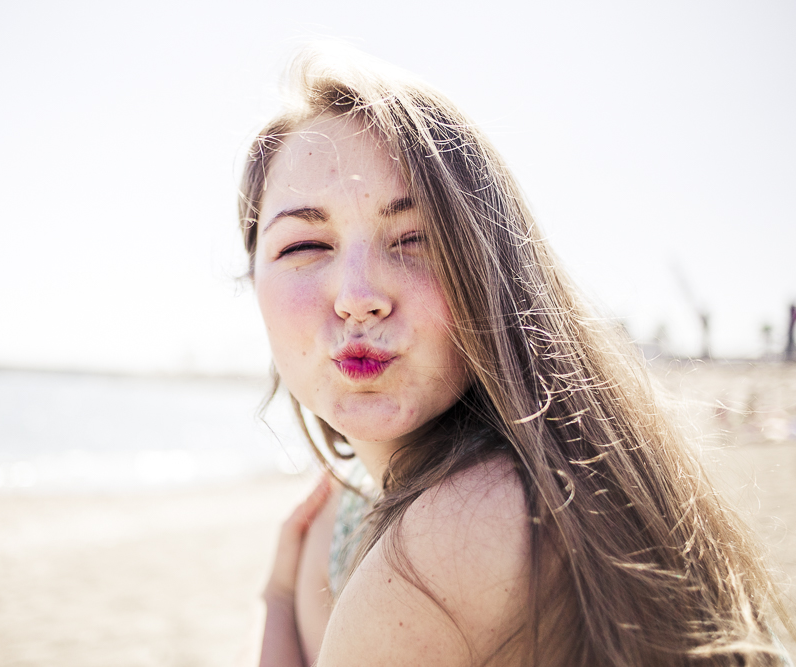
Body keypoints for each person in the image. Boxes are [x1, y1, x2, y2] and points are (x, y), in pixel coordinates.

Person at [240, 44, 794, 667]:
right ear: (252, 273)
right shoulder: (343, 516)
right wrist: (282, 595)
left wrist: (283, 597)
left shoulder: (454, 537)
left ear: (491, 269)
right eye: (306, 244)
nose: (359, 298)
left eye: (416, 239)